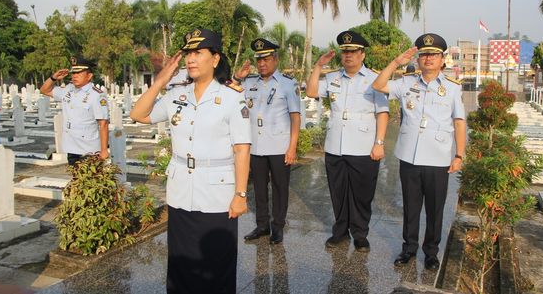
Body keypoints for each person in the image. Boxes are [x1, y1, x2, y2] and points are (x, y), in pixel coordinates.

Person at [130, 28, 251, 294]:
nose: (191, 59)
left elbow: (242, 149)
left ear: (215, 58)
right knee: (181, 262)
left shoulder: (232, 97)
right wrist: (161, 80)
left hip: (218, 193)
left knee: (216, 264)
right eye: (188, 54)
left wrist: (240, 194)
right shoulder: (176, 95)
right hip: (181, 190)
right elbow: (138, 114)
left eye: (199, 53)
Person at [371, 33, 467, 270]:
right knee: (411, 206)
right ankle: (409, 249)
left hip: (438, 157)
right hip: (410, 156)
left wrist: (459, 155)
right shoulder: (406, 82)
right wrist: (396, 63)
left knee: (435, 210)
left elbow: (459, 122)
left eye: (433, 54)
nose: (428, 59)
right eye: (424, 54)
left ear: (442, 59)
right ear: (419, 59)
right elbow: (378, 85)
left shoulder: (452, 89)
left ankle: (431, 253)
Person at [306, 30, 389, 253]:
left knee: (362, 194)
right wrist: (318, 67)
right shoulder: (332, 77)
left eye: (353, 52)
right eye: (345, 52)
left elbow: (382, 112)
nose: (348, 56)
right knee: (338, 191)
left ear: (362, 54)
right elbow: (312, 91)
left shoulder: (374, 79)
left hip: (363, 145)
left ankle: (360, 234)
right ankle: (340, 231)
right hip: (336, 144)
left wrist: (379, 142)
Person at [232, 38, 301, 245]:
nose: (262, 63)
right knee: (259, 187)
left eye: (266, 59)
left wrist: (292, 147)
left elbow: (295, 116)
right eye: (259, 60)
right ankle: (262, 225)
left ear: (275, 59)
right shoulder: (249, 82)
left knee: (280, 187)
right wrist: (237, 77)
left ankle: (278, 226)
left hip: (280, 146)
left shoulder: (288, 84)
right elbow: (227, 91)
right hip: (256, 145)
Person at [39, 57, 109, 166]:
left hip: (89, 149)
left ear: (89, 76)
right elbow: (44, 90)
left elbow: (103, 123)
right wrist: (53, 78)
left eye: (79, 73)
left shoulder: (96, 95)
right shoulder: (68, 90)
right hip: (72, 147)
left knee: (90, 181)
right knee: (76, 179)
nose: (75, 76)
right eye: (73, 73)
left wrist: (104, 150)